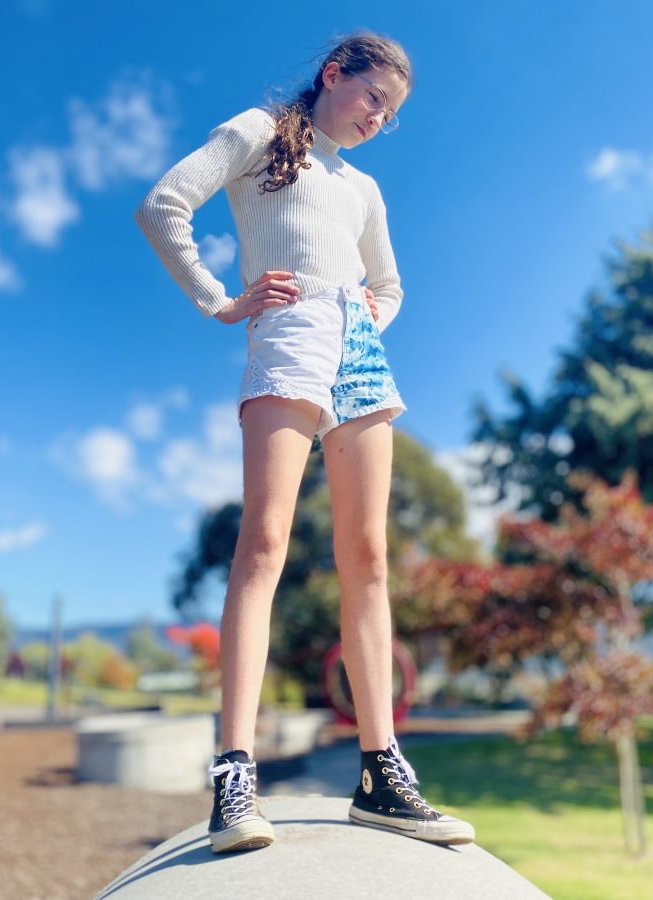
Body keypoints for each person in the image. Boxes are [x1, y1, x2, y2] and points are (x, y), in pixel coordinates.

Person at [135, 31, 475, 853]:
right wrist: (221, 299)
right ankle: (234, 773)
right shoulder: (258, 134)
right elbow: (163, 205)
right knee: (264, 545)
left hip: (357, 348)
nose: (378, 120)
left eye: (391, 114)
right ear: (334, 76)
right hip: (285, 334)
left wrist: (362, 319)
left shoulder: (364, 190)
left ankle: (381, 771)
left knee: (369, 559)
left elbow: (390, 285)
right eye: (372, 100)